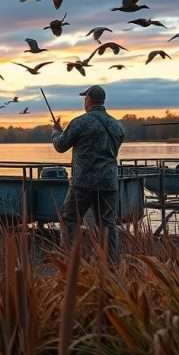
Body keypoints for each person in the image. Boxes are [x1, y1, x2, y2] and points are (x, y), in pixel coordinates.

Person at [51, 85, 126, 261]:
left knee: (70, 219)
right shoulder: (117, 126)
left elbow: (61, 146)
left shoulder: (80, 122)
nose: (84, 101)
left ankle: (69, 261)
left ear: (89, 100)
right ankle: (111, 264)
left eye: (85, 98)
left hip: (83, 183)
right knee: (107, 223)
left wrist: (55, 133)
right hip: (109, 182)